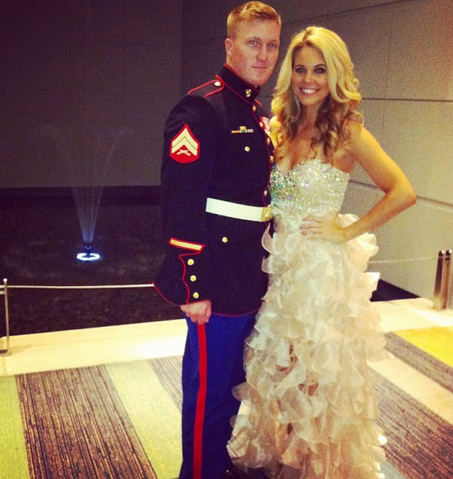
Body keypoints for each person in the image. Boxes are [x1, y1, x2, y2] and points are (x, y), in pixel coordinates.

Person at [227, 26, 417, 479]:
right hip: (277, 266)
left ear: (335, 75)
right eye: (300, 69)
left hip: (320, 273)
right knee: (281, 369)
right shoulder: (278, 126)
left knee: (317, 375)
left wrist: (346, 231)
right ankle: (286, 458)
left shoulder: (347, 130)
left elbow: (402, 191)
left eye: (319, 70)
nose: (308, 80)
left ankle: (320, 468)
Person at [153, 3, 282, 479]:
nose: (263, 55)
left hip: (250, 276)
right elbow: (180, 203)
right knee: (207, 395)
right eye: (253, 43)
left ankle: (216, 466)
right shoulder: (202, 108)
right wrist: (194, 286)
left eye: (272, 45)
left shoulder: (255, 111)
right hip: (216, 281)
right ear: (230, 46)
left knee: (231, 387)